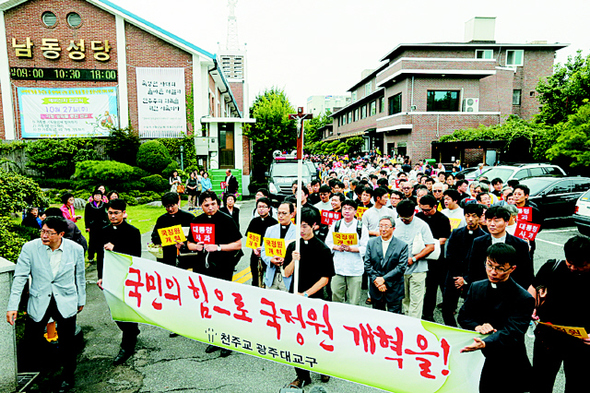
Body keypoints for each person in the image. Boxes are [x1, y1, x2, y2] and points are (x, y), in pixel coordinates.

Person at [7, 216, 85, 393]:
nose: (44, 236)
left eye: (49, 233)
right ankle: (47, 366)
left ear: (61, 234)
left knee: (67, 340)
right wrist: (12, 306)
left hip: (66, 299)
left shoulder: (76, 249)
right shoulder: (30, 248)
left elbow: (79, 276)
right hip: (39, 299)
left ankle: (67, 375)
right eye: (42, 231)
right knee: (31, 339)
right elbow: (20, 277)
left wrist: (81, 299)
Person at [458, 243, 534, 393]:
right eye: (489, 265)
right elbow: (464, 316)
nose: (492, 272)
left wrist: (486, 343)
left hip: (509, 361)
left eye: (499, 268)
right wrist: (477, 327)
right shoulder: (476, 287)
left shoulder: (523, 298)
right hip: (477, 357)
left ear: (512, 268)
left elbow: (513, 332)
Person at [530, 235, 590, 393]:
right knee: (540, 383)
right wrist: (533, 305)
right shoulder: (553, 267)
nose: (573, 268)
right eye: (570, 263)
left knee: (578, 385)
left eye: (580, 265)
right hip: (548, 337)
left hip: (581, 342)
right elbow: (533, 288)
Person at [283, 207, 335, 388]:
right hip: (295, 298)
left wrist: (305, 294)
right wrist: (292, 260)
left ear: (315, 226)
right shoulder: (292, 246)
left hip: (316, 299)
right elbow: (286, 273)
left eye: (305, 226)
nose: (301, 230)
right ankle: (302, 375)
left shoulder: (323, 249)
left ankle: (324, 367)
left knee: (318, 337)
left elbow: (325, 278)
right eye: (299, 226)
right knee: (296, 338)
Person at [187, 191, 242, 356]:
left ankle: (228, 341)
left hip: (223, 266)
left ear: (218, 204)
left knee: (223, 304)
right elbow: (189, 243)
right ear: (201, 206)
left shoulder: (227, 220)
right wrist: (196, 246)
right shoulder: (197, 222)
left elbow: (238, 245)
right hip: (202, 268)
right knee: (208, 304)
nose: (210, 208)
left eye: (212, 204)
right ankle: (214, 338)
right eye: (206, 205)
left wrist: (218, 247)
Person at [96, 199, 142, 364]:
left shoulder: (133, 231)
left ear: (124, 213)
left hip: (128, 276)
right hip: (110, 276)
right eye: (110, 213)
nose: (113, 216)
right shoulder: (103, 230)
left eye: (116, 213)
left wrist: (116, 249)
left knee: (126, 310)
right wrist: (100, 276)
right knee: (115, 312)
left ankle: (127, 347)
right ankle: (132, 330)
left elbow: (136, 255)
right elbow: (100, 256)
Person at [465, 206, 534, 292]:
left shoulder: (520, 244)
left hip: (511, 290)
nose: (492, 224)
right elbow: (473, 269)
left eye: (496, 221)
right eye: (489, 220)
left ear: (506, 222)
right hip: (484, 289)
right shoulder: (478, 242)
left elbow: (526, 272)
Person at [442, 203, 486, 326]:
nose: (470, 219)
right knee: (447, 309)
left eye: (474, 216)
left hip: (474, 279)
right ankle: (452, 331)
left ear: (479, 217)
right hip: (453, 276)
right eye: (468, 215)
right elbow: (449, 256)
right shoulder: (456, 233)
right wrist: (457, 278)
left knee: (472, 311)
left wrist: (465, 279)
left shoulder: (484, 237)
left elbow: (481, 263)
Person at [395, 199, 435, 318]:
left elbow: (430, 246)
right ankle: (407, 322)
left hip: (418, 269)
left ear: (413, 213)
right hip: (400, 269)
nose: (404, 221)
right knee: (405, 300)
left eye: (407, 218)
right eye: (402, 218)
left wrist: (415, 258)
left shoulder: (422, 225)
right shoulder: (395, 224)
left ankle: (414, 325)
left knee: (416, 301)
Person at [326, 199, 369, 305]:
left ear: (355, 211)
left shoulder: (360, 227)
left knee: (354, 299)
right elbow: (328, 244)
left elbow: (366, 248)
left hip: (354, 269)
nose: (347, 211)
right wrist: (336, 247)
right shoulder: (336, 225)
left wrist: (352, 249)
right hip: (338, 268)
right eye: (344, 208)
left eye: (350, 209)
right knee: (336, 295)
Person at [417, 194, 451, 322]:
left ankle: (428, 313)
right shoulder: (419, 217)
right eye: (423, 210)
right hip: (419, 255)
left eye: (428, 210)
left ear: (435, 207)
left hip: (436, 258)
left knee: (432, 288)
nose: (425, 212)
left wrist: (429, 245)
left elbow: (443, 239)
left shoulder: (443, 219)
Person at [364, 216, 408, 313]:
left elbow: (401, 267)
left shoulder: (402, 245)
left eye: (386, 226)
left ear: (393, 228)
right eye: (381, 226)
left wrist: (383, 279)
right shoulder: (371, 243)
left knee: (395, 317)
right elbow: (367, 264)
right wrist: (377, 280)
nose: (383, 229)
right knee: (377, 316)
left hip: (394, 287)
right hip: (376, 286)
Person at [150, 192, 194, 267]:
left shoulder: (189, 217)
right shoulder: (162, 219)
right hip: (167, 256)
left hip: (186, 255)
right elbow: (154, 237)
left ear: (178, 203)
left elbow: (195, 237)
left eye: (172, 206)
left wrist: (184, 244)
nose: (170, 209)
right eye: (167, 207)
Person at [261, 202, 297, 291]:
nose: (281, 216)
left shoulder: (298, 232)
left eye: (284, 213)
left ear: (292, 214)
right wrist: (270, 260)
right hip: (272, 275)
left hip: (288, 277)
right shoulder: (270, 230)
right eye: (279, 213)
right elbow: (263, 251)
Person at [245, 197, 278, 287]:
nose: (261, 209)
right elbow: (250, 238)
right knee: (255, 278)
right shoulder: (254, 221)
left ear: (269, 208)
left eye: (264, 207)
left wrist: (264, 249)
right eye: (259, 207)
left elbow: (276, 240)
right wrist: (254, 249)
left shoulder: (274, 223)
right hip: (255, 254)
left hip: (269, 255)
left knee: (269, 279)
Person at [84, 190, 108, 263]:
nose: (97, 197)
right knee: (92, 242)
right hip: (93, 226)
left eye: (99, 195)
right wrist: (87, 226)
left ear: (101, 197)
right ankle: (91, 257)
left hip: (103, 226)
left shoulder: (105, 205)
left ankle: (100, 256)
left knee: (102, 242)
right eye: (96, 195)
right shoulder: (89, 205)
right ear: (93, 196)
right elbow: (86, 216)